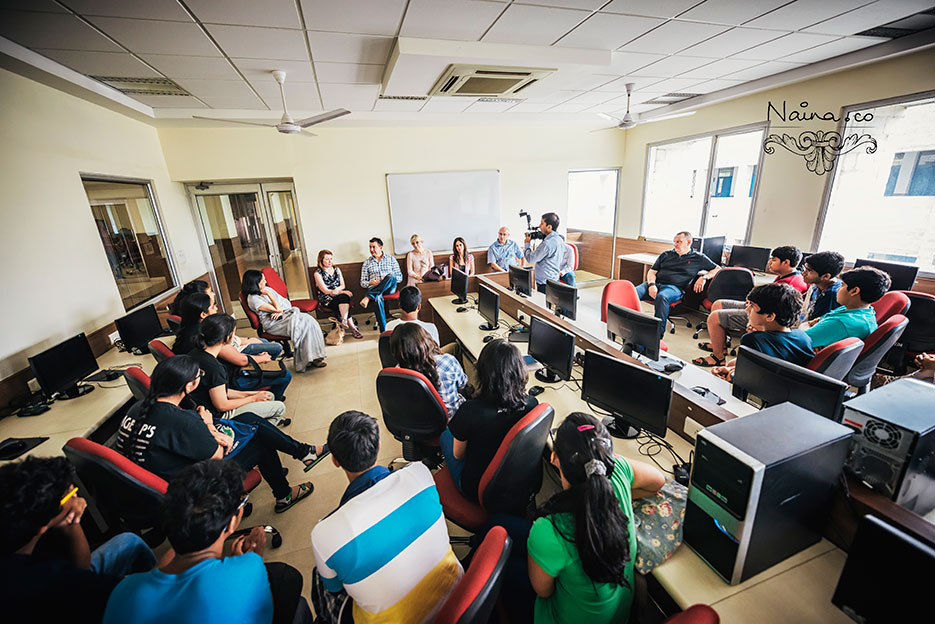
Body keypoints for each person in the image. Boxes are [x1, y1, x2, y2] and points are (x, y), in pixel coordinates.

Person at [104, 460, 311, 624]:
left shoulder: (123, 591)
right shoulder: (248, 568)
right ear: (231, 523)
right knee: (298, 602)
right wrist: (253, 558)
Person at [114, 355, 324, 513]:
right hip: (192, 488)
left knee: (249, 419)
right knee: (260, 440)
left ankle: (304, 453)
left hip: (155, 483)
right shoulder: (183, 421)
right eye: (199, 376)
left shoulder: (138, 408)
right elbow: (216, 458)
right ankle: (285, 492)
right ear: (190, 385)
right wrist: (209, 426)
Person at [310, 411, 462, 624]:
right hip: (456, 602)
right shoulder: (421, 474)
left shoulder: (324, 534)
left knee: (321, 577)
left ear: (335, 460)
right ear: (379, 445)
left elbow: (335, 590)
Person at [528, 413, 665, 624]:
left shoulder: (549, 530)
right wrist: (622, 492)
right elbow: (658, 481)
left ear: (554, 458)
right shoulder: (620, 470)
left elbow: (543, 592)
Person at [0, 456, 158, 624]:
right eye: (71, 494)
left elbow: (81, 570)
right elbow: (83, 580)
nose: (75, 493)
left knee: (129, 541)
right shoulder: (50, 580)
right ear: (43, 525)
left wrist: (69, 521)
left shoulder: (22, 535)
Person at [443, 339, 537, 501]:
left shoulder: (470, 411)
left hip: (477, 489)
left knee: (445, 436)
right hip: (516, 483)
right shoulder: (532, 404)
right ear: (520, 371)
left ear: (482, 373)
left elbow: (458, 455)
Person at [695, 245, 807, 366]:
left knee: (714, 317)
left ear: (786, 262)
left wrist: (753, 306)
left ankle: (718, 357)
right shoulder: (784, 276)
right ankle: (720, 346)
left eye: (773, 259)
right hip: (761, 306)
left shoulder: (792, 284)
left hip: (766, 313)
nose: (769, 262)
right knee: (718, 304)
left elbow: (777, 309)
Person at [174, 293, 293, 402]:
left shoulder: (195, 335)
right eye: (212, 306)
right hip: (230, 380)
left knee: (264, 345)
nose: (216, 308)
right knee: (285, 374)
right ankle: (273, 400)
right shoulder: (212, 343)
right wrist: (260, 359)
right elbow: (239, 360)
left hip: (224, 377)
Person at [183, 313, 293, 428]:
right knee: (279, 407)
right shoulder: (215, 368)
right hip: (218, 416)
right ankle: (254, 435)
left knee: (268, 396)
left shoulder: (195, 353)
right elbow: (222, 405)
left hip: (203, 406)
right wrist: (252, 398)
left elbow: (220, 391)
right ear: (227, 338)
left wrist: (248, 395)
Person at [710, 283, 814, 382]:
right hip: (792, 385)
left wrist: (730, 373)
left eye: (752, 306)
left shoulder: (753, 340)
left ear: (770, 316)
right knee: (732, 363)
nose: (747, 309)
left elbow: (746, 376)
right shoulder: (803, 336)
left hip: (767, 389)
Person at [636, 231, 717, 339]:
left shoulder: (698, 258)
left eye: (679, 242)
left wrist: (704, 277)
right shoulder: (666, 254)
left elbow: (717, 269)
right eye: (674, 242)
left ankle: (656, 336)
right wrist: (651, 285)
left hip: (674, 288)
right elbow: (652, 272)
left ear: (688, 242)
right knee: (631, 293)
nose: (675, 244)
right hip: (654, 284)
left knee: (662, 297)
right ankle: (626, 325)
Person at [171, 278, 282, 358]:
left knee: (262, 341)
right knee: (275, 347)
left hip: (231, 348)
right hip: (232, 357)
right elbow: (232, 353)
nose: (214, 294)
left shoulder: (192, 319)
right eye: (210, 292)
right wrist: (259, 358)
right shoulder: (205, 330)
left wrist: (247, 340)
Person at [242, 269, 327, 372]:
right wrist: (271, 298)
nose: (265, 282)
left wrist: (279, 310)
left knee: (310, 321)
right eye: (263, 280)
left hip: (284, 315)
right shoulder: (254, 299)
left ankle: (316, 357)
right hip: (273, 323)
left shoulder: (267, 288)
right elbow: (278, 308)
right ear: (256, 283)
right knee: (302, 326)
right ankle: (305, 360)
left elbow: (286, 304)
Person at [390, 322, 468, 416]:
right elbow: (462, 384)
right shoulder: (448, 362)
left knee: (453, 347)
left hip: (421, 418)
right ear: (425, 341)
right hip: (452, 418)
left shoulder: (397, 372)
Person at [803, 266, 890, 349]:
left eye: (842, 285)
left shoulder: (841, 323)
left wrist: (805, 325)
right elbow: (817, 322)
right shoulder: (864, 311)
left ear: (854, 291)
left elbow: (797, 339)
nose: (837, 289)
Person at [314, 249, 362, 339]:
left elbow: (343, 285)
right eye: (327, 259)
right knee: (344, 299)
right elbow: (325, 291)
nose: (330, 261)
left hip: (339, 296)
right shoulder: (317, 273)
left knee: (343, 298)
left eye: (331, 259)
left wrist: (339, 291)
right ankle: (353, 328)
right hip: (327, 298)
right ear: (321, 260)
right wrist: (340, 292)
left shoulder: (336, 269)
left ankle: (343, 320)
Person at [359, 237, 403, 332]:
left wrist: (386, 278)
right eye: (370, 247)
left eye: (374, 247)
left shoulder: (391, 259)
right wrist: (371, 282)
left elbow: (399, 277)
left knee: (391, 275)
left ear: (381, 247)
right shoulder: (367, 263)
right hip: (374, 287)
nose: (371, 250)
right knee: (378, 297)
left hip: (390, 288)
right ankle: (383, 331)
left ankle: (368, 296)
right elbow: (362, 282)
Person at [799, 251, 845, 325]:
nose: (803, 273)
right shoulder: (816, 284)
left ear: (826, 276)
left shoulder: (830, 296)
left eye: (809, 270)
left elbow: (814, 326)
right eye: (805, 269)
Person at [524, 212, 565, 293]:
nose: (539, 226)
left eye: (542, 223)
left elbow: (530, 259)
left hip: (544, 284)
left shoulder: (547, 244)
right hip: (554, 280)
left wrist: (527, 244)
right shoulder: (559, 239)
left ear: (549, 227)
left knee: (543, 305)